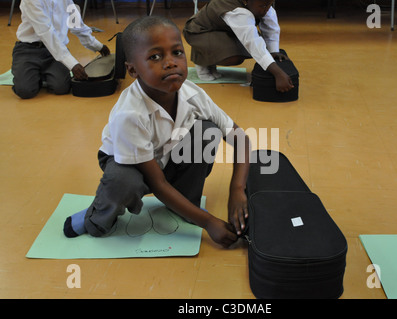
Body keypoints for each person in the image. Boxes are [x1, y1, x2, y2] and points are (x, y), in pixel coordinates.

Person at [63, 16, 251, 248]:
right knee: (124, 182)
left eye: (177, 52)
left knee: (206, 131)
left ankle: (185, 206)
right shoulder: (129, 114)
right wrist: (209, 222)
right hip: (127, 163)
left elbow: (241, 138)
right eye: (155, 57)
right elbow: (158, 183)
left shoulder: (193, 95)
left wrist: (237, 189)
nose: (171, 63)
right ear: (132, 70)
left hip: (166, 152)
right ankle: (95, 216)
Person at [183, 0, 293, 92]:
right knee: (234, 57)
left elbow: (271, 29)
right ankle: (201, 60)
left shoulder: (262, 3)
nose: (267, 9)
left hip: (221, 30)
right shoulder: (238, 11)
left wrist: (273, 52)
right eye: (263, 6)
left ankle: (209, 57)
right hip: (199, 31)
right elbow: (252, 42)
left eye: (270, 4)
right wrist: (278, 73)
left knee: (255, 47)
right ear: (246, 1)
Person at [11, 0, 110, 99]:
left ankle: (39, 73)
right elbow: (46, 32)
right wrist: (72, 64)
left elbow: (76, 24)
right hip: (29, 50)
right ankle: (34, 72)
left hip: (55, 53)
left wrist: (97, 45)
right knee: (25, 91)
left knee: (61, 88)